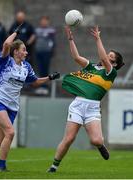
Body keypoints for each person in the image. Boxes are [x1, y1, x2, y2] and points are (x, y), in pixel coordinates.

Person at [0, 24, 60, 171]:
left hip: (12, 106)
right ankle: (1, 167)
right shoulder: (6, 61)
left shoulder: (27, 67)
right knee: (10, 133)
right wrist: (15, 32)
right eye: (23, 49)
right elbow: (6, 44)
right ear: (16, 51)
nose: (26, 52)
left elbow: (35, 81)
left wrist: (49, 78)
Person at [48, 26, 124, 172]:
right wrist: (70, 39)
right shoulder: (92, 67)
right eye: (108, 55)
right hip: (77, 105)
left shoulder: (111, 72)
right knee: (69, 139)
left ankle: (101, 146)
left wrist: (98, 39)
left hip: (93, 108)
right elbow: (76, 57)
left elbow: (102, 58)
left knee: (96, 140)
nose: (107, 57)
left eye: (111, 58)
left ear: (114, 64)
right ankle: (54, 166)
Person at [35, 16, 56, 95]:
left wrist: (52, 50)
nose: (43, 23)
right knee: (40, 69)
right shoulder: (37, 30)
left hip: (47, 52)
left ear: (48, 22)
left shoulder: (51, 30)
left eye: (45, 21)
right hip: (38, 52)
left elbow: (53, 42)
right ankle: (40, 86)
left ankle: (45, 87)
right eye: (42, 21)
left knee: (45, 69)